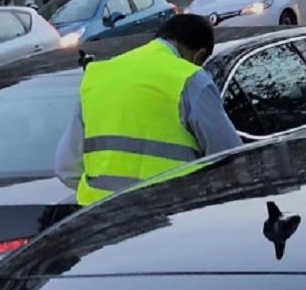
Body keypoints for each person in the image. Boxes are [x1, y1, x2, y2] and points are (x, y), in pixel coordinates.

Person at [53, 12, 242, 206]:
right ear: (199, 55)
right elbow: (229, 160)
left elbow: (66, 168)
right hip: (169, 217)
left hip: (101, 220)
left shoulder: (98, 75)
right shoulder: (190, 78)